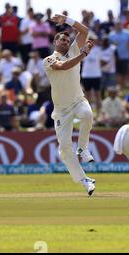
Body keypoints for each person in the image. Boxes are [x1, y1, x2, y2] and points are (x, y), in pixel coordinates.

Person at [43, 14, 96, 196]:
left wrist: (66, 19)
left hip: (78, 100)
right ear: (55, 43)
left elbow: (85, 31)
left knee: (87, 114)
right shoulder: (49, 60)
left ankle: (83, 147)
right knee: (65, 149)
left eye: (67, 39)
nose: (65, 41)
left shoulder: (74, 51)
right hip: (61, 111)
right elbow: (64, 67)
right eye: (62, 39)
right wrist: (84, 54)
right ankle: (85, 180)